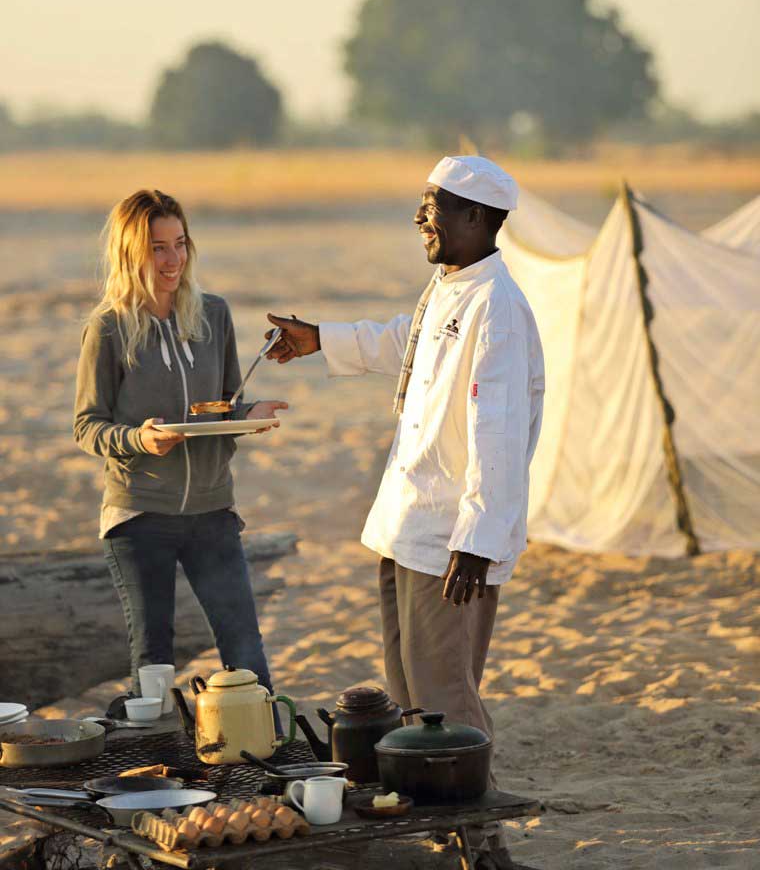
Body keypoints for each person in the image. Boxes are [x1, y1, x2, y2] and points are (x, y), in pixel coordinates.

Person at [266, 156, 544, 867]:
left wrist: (478, 540)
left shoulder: (498, 307)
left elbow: (501, 433)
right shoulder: (448, 287)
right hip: (407, 528)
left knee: (446, 698)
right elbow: (402, 342)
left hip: (451, 539)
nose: (422, 217)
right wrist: (320, 336)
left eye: (437, 206)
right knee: (408, 697)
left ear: (478, 220)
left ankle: (484, 849)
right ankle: (440, 831)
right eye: (425, 203)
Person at [74, 189, 286, 700]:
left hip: (213, 509)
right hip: (139, 513)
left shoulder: (213, 315)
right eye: (158, 248)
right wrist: (140, 439)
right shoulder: (108, 328)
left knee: (246, 648)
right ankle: (156, 769)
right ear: (131, 253)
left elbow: (223, 405)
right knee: (153, 659)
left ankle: (263, 751)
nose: (173, 261)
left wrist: (249, 416)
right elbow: (87, 426)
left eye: (180, 244)